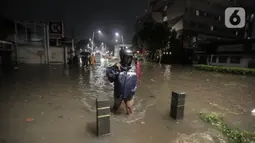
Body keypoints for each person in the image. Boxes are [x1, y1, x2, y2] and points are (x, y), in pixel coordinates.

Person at [106, 49, 140, 115]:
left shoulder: (134, 67)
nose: (128, 59)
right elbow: (110, 77)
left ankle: (130, 123)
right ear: (122, 57)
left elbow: (138, 77)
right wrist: (116, 70)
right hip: (119, 93)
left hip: (129, 93)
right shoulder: (117, 66)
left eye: (130, 57)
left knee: (130, 109)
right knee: (115, 108)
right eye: (126, 57)